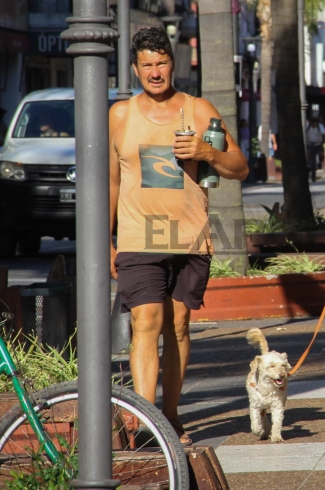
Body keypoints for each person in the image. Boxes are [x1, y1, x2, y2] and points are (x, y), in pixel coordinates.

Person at [109, 27, 249, 444]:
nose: (155, 71)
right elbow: (111, 182)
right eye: (147, 65)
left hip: (188, 237)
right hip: (138, 236)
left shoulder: (199, 110)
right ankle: (146, 421)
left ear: (174, 63)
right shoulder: (120, 115)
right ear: (136, 69)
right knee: (145, 320)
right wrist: (106, 237)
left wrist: (208, 153)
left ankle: (170, 416)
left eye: (162, 62)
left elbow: (238, 168)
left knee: (180, 326)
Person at [306, 116, 325, 181]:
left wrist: (324, 141)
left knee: (321, 153)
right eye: (312, 123)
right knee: (308, 154)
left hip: (318, 143)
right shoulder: (307, 126)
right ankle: (308, 165)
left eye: (315, 123)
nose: (313, 124)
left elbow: (324, 134)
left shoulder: (320, 126)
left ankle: (320, 162)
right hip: (309, 143)